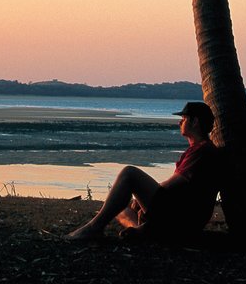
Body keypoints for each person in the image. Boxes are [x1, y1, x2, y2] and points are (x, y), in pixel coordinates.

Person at [66, 101, 221, 240]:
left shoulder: (202, 150)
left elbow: (173, 185)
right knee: (121, 209)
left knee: (129, 173)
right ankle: (142, 230)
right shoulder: (197, 149)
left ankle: (94, 228)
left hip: (182, 217)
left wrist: (142, 199)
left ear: (195, 122)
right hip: (176, 213)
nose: (180, 121)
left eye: (185, 118)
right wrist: (139, 201)